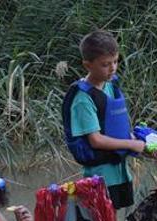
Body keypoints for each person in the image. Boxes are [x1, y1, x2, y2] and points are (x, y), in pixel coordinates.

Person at [62, 30, 147, 209]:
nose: (113, 68)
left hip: (120, 172)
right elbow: (96, 140)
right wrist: (131, 145)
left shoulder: (110, 86)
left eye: (115, 62)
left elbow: (115, 126)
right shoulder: (83, 99)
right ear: (88, 65)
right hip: (100, 176)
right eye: (105, 64)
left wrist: (137, 139)